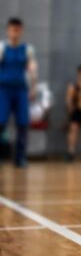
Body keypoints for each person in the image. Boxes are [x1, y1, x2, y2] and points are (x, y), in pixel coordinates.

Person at [0, 18, 37, 167]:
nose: (15, 32)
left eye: (17, 29)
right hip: (4, 90)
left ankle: (20, 157)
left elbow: (33, 69)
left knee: (23, 124)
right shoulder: (2, 48)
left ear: (21, 31)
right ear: (8, 30)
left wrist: (33, 88)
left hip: (21, 90)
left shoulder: (27, 49)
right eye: (12, 29)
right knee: (1, 122)